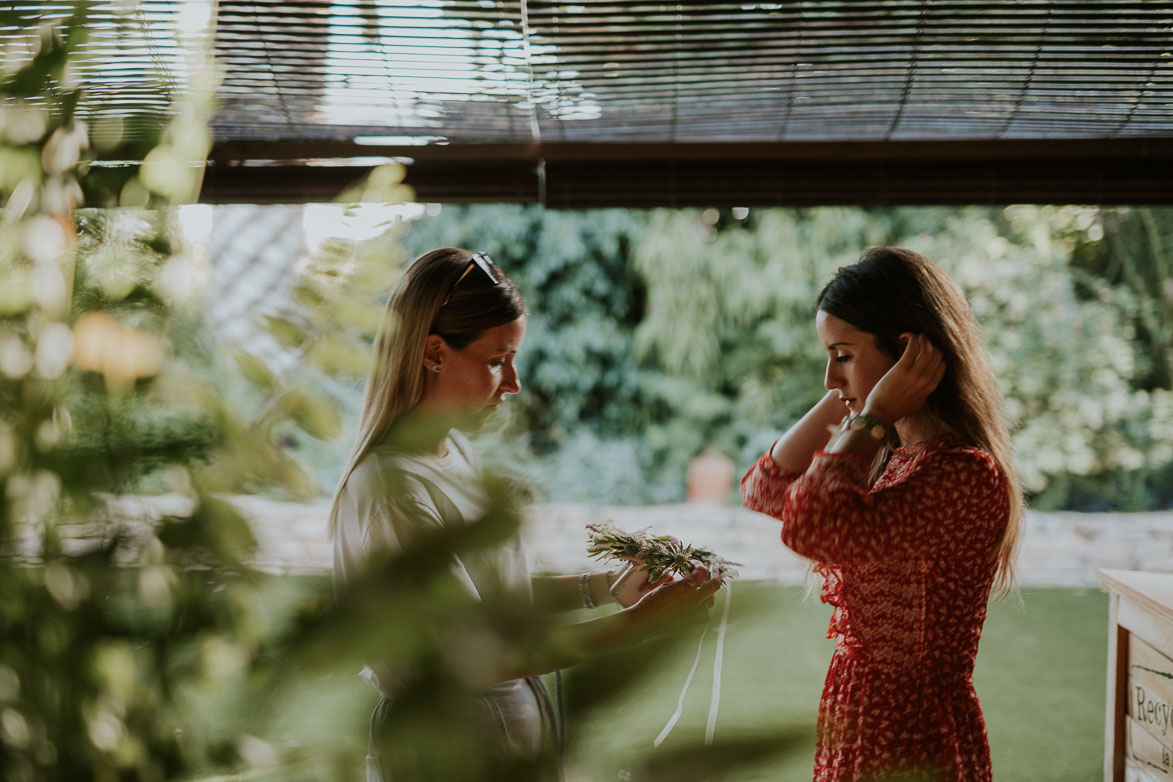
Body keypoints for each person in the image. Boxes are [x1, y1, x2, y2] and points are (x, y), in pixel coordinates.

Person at [329, 248, 722, 782]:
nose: (513, 383)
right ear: (434, 353)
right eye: (496, 361)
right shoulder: (392, 492)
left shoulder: (452, 455)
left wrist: (606, 586)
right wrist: (635, 626)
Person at [740, 247, 1022, 782]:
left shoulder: (963, 474)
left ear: (906, 351)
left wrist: (869, 411)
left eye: (842, 354)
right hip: (862, 714)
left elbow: (812, 526)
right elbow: (764, 488)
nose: (829, 375)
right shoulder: (890, 458)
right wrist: (850, 398)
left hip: (912, 733)